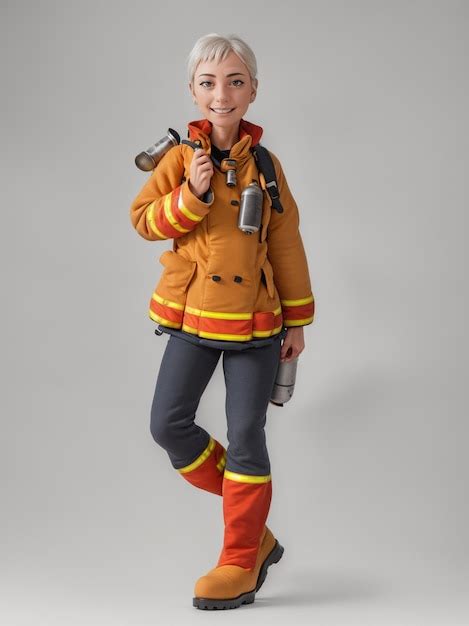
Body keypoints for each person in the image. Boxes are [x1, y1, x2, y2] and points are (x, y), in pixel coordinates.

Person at [129, 33, 315, 610]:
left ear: (253, 90)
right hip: (192, 316)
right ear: (193, 91)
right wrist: (191, 194)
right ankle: (252, 527)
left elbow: (285, 245)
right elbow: (143, 221)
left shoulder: (267, 165)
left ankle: (238, 559)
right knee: (168, 424)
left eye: (235, 81)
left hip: (257, 324)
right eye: (209, 82)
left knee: (247, 439)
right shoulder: (181, 158)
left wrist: (298, 321)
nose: (222, 93)